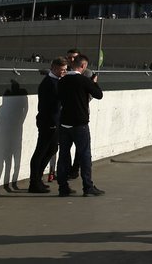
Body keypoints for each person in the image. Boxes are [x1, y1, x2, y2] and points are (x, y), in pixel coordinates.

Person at [56, 54, 104, 196]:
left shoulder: (62, 81)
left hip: (64, 122)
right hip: (80, 123)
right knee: (84, 155)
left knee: (63, 155)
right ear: (82, 66)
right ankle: (87, 186)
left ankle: (63, 187)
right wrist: (94, 82)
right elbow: (99, 94)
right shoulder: (83, 80)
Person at [28, 57, 67, 193]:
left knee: (51, 149)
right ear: (55, 68)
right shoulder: (49, 83)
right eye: (62, 70)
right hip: (48, 122)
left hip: (53, 121)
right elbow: (50, 105)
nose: (64, 72)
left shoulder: (55, 81)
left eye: (65, 69)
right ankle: (34, 182)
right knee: (41, 151)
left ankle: (37, 179)